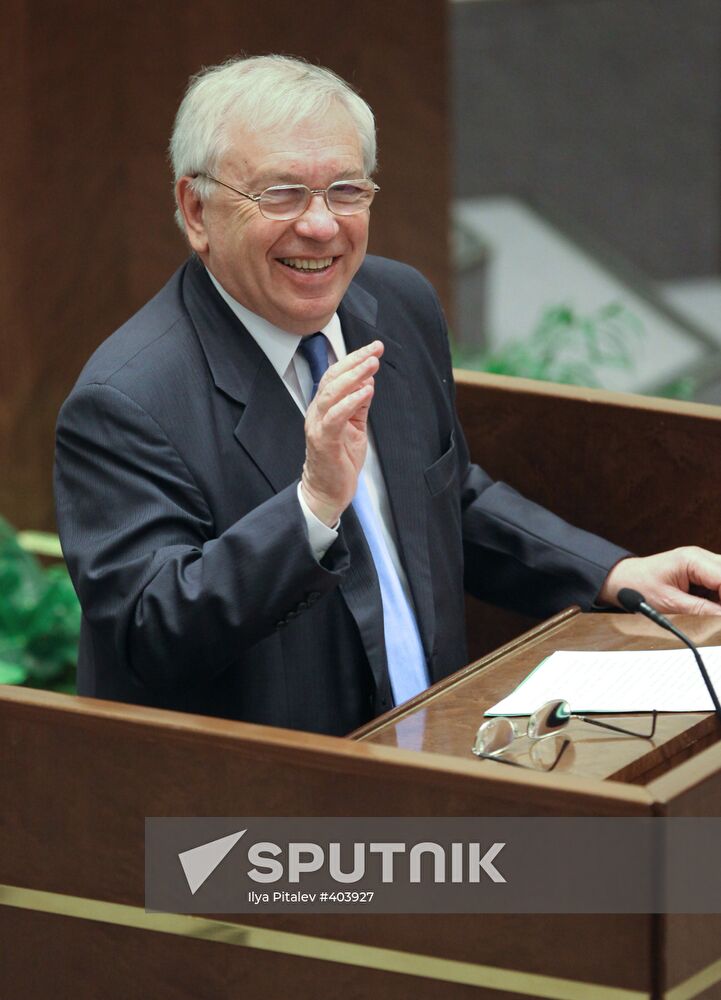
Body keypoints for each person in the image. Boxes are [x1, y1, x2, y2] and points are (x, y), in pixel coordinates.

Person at [54, 55, 721, 736]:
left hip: (441, 754)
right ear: (196, 209)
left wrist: (614, 573)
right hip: (271, 806)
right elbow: (150, 632)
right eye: (281, 194)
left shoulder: (397, 303)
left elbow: (447, 496)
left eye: (345, 190)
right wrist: (310, 508)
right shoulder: (127, 401)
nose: (320, 226)